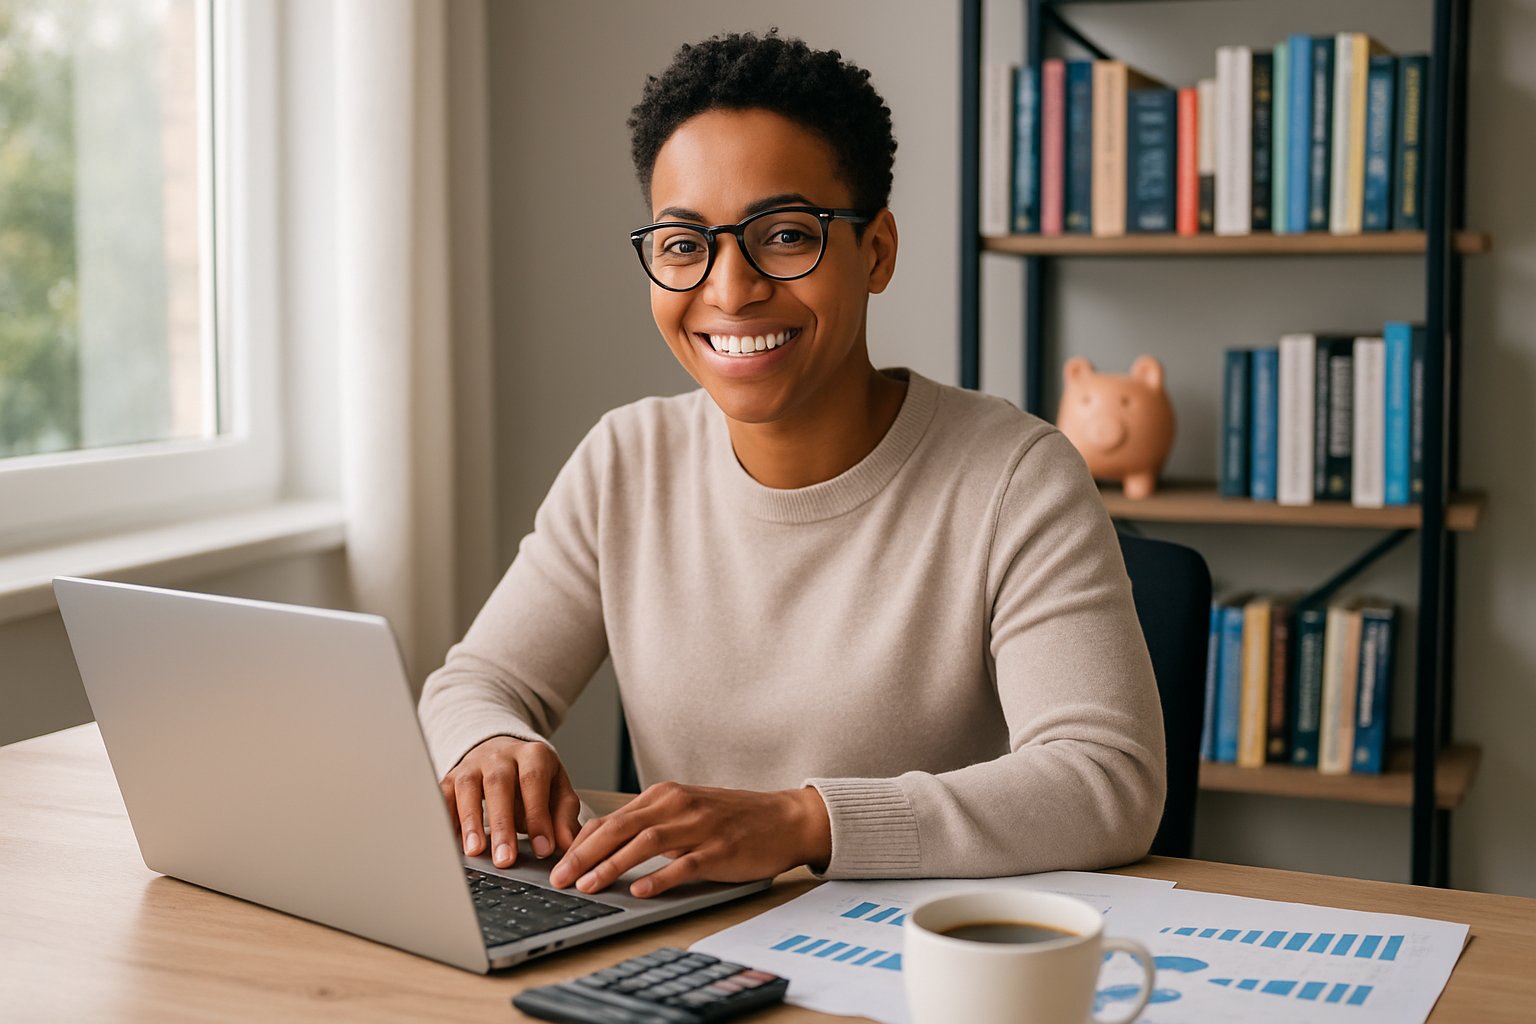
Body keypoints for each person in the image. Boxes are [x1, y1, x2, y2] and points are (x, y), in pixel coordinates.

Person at [418, 30, 1165, 900]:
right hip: (686, 942)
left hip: (926, 955)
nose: (730, 291)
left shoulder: (1015, 476)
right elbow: (476, 682)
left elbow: (1106, 781)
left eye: (782, 236)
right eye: (684, 244)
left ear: (876, 252)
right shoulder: (626, 461)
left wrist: (804, 822)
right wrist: (489, 745)